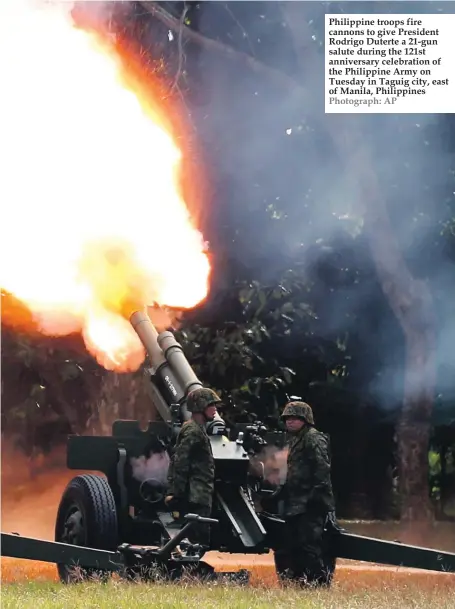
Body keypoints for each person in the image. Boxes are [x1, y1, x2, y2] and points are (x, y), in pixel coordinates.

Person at [273, 401, 336, 587]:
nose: (289, 422)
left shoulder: (313, 438)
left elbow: (322, 471)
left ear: (305, 420)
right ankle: (299, 582)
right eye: (287, 418)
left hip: (311, 502)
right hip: (297, 502)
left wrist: (313, 498)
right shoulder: (295, 439)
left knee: (310, 545)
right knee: (295, 544)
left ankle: (318, 584)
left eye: (295, 418)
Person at [164, 387, 222, 553]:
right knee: (197, 540)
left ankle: (192, 572)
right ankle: (191, 573)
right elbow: (180, 463)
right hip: (195, 496)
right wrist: (175, 493)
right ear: (200, 406)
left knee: (200, 539)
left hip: (200, 494)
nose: (215, 409)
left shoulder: (198, 429)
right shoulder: (193, 431)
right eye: (211, 405)